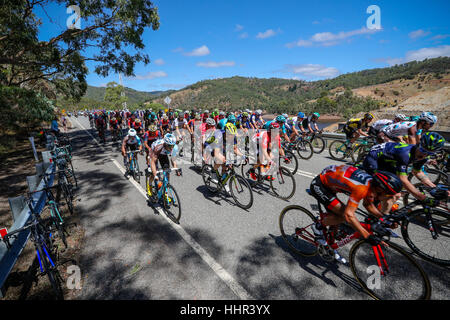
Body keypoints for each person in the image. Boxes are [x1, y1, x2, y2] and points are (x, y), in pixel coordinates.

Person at [310, 164, 403, 262]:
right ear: (380, 189)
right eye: (389, 195)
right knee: (343, 215)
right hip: (320, 185)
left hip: (331, 183)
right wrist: (367, 235)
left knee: (340, 217)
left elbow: (368, 205)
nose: (390, 198)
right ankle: (318, 225)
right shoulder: (362, 189)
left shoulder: (372, 186)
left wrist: (384, 218)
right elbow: (348, 215)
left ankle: (330, 246)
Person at [362, 131, 446, 213]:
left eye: (429, 153)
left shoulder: (423, 157)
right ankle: (375, 212)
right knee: (392, 194)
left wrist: (434, 187)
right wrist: (423, 198)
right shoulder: (405, 154)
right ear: (418, 144)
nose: (424, 155)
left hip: (387, 162)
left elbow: (418, 172)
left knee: (396, 192)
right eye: (423, 150)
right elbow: (403, 180)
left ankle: (378, 208)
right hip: (373, 161)